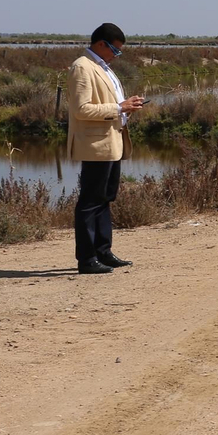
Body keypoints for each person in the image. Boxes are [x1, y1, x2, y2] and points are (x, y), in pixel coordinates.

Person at [68, 23, 147, 274]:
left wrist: (127, 108)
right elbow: (81, 110)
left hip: (112, 143)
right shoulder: (82, 67)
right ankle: (87, 259)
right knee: (90, 202)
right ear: (101, 44)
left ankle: (103, 251)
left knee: (104, 199)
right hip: (95, 146)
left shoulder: (103, 68)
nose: (116, 55)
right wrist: (119, 108)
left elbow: (113, 106)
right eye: (115, 49)